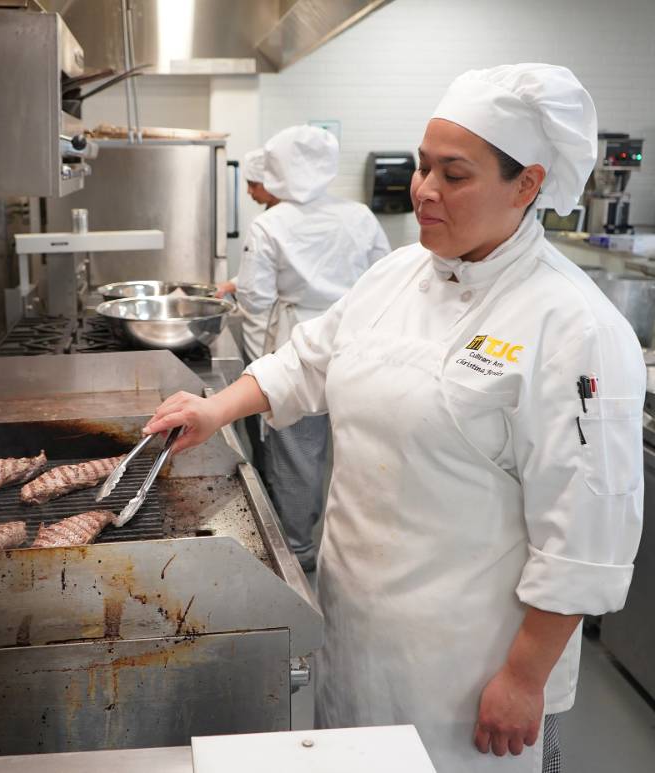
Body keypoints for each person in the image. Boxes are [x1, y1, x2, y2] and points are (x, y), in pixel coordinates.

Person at [144, 64, 645, 772]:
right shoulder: (398, 275)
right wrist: (214, 407)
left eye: (454, 174)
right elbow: (310, 357)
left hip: (470, 668)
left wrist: (526, 677)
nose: (424, 190)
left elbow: (588, 529)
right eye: (421, 166)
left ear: (527, 184)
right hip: (353, 627)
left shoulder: (574, 326)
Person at [222, 125, 390, 571]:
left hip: (297, 346)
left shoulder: (270, 224)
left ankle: (297, 554)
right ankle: (359, 555)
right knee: (361, 454)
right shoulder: (359, 216)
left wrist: (258, 372)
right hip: (361, 347)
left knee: (298, 458)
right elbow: (384, 281)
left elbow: (256, 302)